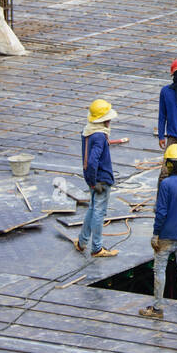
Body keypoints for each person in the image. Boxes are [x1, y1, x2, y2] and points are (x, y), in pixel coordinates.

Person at [140, 143, 177, 321]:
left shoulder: (165, 184)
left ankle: (157, 308)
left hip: (166, 235)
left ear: (169, 164)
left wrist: (155, 234)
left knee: (160, 271)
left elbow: (162, 212)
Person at [76, 99, 119, 258]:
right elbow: (93, 161)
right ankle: (97, 248)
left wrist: (89, 181)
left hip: (92, 178)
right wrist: (94, 182)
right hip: (101, 179)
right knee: (99, 213)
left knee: (92, 209)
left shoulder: (87, 131)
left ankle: (82, 242)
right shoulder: (100, 136)